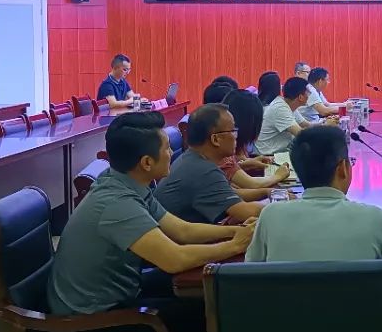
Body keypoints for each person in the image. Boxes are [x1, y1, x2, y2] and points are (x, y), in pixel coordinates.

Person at [48, 111, 253, 315]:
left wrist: (235, 231)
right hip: (93, 319)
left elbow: (182, 230)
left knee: (213, 291)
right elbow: (174, 259)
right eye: (167, 148)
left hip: (123, 290)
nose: (172, 153)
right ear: (146, 162)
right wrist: (235, 245)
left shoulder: (127, 182)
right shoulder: (116, 203)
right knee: (211, 309)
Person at [245, 126, 382, 277]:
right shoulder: (373, 218)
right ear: (342, 169)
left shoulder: (270, 216)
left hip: (287, 310)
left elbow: (250, 272)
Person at [157, 103, 265, 224]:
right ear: (215, 139)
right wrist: (279, 204)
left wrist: (267, 192)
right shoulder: (203, 170)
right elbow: (243, 211)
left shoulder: (193, 158)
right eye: (232, 131)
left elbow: (228, 193)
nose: (236, 136)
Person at [220, 89, 290, 199]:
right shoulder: (224, 149)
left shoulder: (226, 143)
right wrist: (278, 176)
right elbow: (251, 184)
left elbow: (226, 171)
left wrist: (247, 163)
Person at [254, 76, 314, 155]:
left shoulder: (289, 104)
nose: (310, 95)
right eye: (308, 92)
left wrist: (324, 124)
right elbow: (301, 134)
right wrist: (324, 131)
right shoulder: (280, 108)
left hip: (281, 152)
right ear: (300, 97)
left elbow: (306, 124)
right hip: (269, 156)